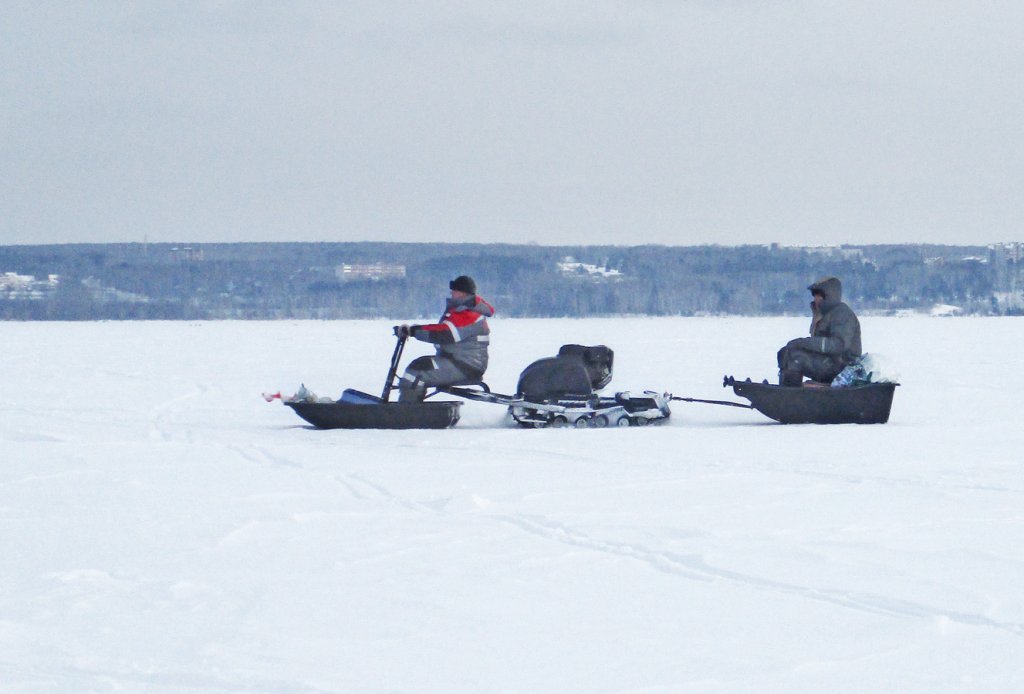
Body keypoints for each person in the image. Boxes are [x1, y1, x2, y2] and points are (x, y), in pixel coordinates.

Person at [394, 275, 495, 402]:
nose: (451, 293)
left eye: (454, 290)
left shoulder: (469, 314)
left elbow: (445, 334)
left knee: (417, 372)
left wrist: (413, 331)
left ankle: (407, 413)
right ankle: (411, 409)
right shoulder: (462, 310)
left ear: (463, 293)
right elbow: (440, 328)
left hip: (465, 365)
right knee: (420, 365)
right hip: (457, 361)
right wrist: (414, 330)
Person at [777, 276, 861, 386]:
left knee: (795, 357)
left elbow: (838, 345)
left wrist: (803, 343)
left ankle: (790, 395)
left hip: (842, 367)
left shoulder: (842, 314)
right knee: (786, 352)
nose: (815, 298)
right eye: (814, 295)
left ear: (829, 295)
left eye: (818, 294)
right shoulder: (824, 314)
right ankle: (788, 389)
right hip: (830, 362)